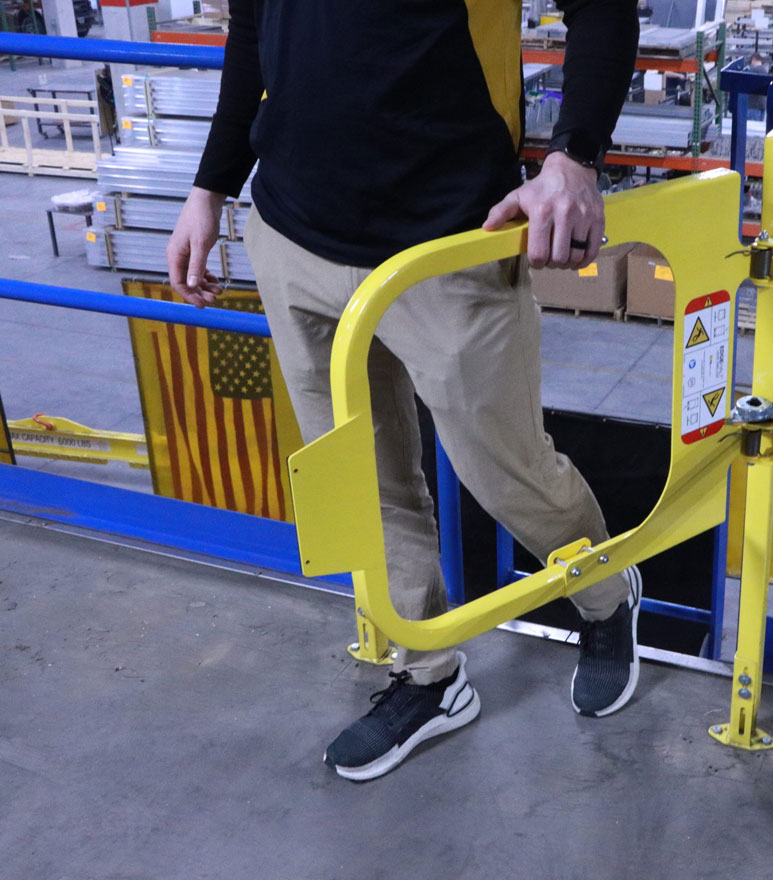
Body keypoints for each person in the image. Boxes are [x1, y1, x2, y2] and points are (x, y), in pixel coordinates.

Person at [166, 0, 642, 782]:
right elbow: (253, 27)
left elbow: (601, 7)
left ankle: (603, 598)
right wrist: (209, 188)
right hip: (294, 234)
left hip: (451, 237)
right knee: (367, 484)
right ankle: (429, 679)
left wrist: (575, 156)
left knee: (508, 473)